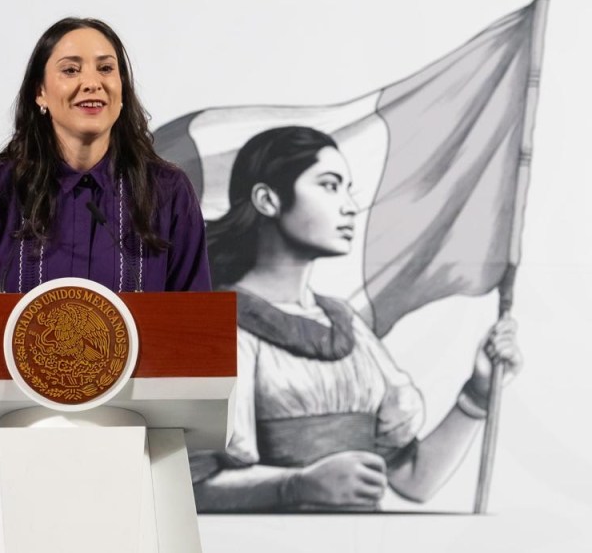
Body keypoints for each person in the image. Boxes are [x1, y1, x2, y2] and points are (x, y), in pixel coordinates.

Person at [0, 17, 212, 548]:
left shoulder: (168, 193)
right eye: (71, 69)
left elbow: (194, 339)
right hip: (12, 446)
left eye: (106, 69)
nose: (92, 82)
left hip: (135, 450)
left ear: (122, 89)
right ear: (40, 93)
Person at [190, 126, 522, 512]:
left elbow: (415, 480)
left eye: (349, 189)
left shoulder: (345, 324)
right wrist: (296, 486)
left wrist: (479, 391)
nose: (349, 206)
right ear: (267, 199)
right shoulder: (209, 325)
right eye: (330, 186)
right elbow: (187, 488)